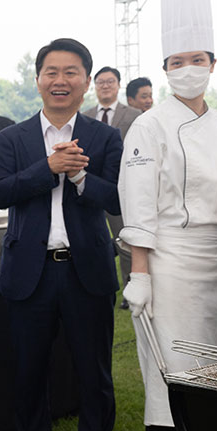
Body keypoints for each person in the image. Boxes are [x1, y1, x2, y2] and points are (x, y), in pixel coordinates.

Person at [119, 0, 217, 431]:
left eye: (197, 58)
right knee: (171, 373)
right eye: (176, 59)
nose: (187, 67)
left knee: (216, 374)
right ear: (166, 68)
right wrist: (139, 271)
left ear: (212, 63)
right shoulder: (149, 126)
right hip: (168, 263)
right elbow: (138, 203)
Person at [0, 37, 123, 431]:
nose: (60, 81)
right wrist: (48, 168)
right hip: (32, 271)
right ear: (38, 79)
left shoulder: (105, 137)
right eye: (51, 72)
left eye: (70, 73)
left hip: (87, 270)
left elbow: (120, 197)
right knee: (30, 368)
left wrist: (81, 175)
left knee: (94, 371)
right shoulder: (13, 138)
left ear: (86, 81)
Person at [82, 66, 142, 306]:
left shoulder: (135, 115)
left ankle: (131, 289)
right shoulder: (84, 115)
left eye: (110, 82)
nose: (105, 86)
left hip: (122, 187)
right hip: (90, 186)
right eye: (101, 82)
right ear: (94, 86)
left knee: (126, 240)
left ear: (118, 85)